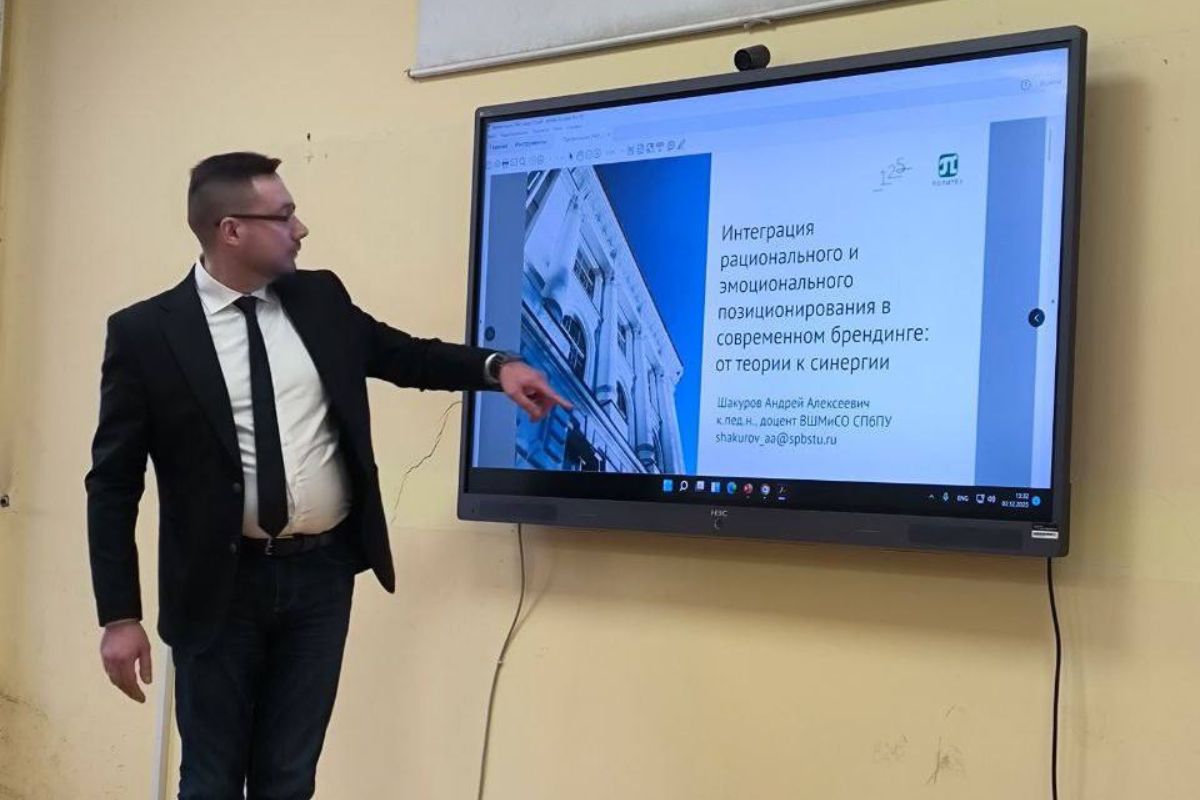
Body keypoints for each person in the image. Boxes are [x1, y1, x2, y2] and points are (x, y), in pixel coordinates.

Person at [85, 152, 571, 799]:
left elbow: (406, 356)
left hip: (320, 578)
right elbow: (113, 483)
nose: (301, 228)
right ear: (231, 230)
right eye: (284, 215)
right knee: (210, 780)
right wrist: (120, 615)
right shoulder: (146, 333)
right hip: (217, 588)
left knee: (289, 778)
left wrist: (496, 367)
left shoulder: (320, 299)